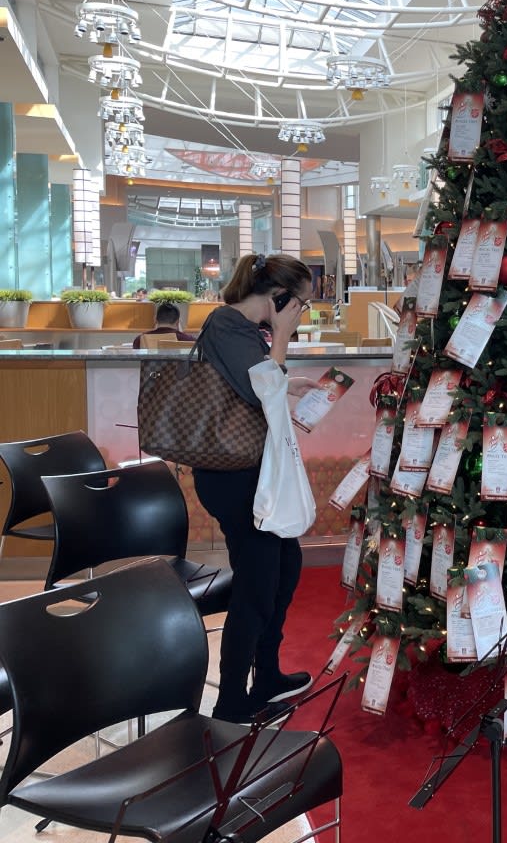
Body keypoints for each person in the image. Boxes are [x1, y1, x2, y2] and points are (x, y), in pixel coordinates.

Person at [194, 252, 319, 723]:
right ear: (278, 296)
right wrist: (283, 339)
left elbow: (260, 383)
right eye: (299, 305)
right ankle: (230, 702)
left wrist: (289, 382)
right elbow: (257, 389)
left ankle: (265, 675)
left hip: (256, 472)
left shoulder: (248, 332)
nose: (299, 314)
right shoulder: (227, 324)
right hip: (234, 477)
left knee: (285, 569)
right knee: (256, 586)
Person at [131, 302, 196, 348]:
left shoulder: (140, 340)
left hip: (152, 367)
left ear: (155, 320)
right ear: (177, 322)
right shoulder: (189, 340)